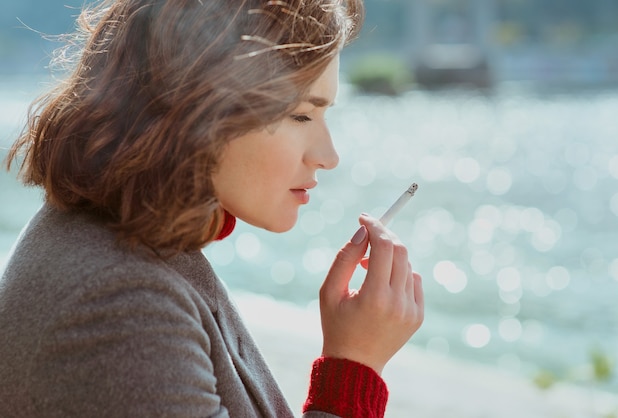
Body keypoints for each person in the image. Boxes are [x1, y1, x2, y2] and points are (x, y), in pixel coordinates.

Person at [0, 0, 424, 416]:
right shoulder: (122, 311)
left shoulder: (128, 244)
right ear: (197, 107)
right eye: (300, 116)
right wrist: (354, 367)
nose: (328, 156)